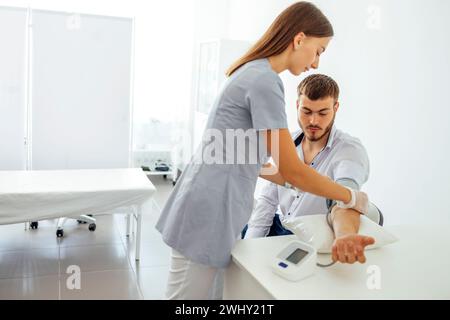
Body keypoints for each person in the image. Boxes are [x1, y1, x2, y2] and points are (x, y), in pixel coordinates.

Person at [156, 1, 369, 299]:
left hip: (211, 208)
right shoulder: (265, 81)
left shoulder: (252, 72)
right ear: (299, 39)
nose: (316, 62)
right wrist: (349, 196)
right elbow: (292, 169)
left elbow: (251, 161)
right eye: (318, 50)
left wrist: (308, 185)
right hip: (208, 212)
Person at [243, 74, 375, 264]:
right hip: (280, 226)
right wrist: (252, 245)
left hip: (310, 239)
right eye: (306, 111)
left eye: (323, 113)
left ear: (336, 108)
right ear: (297, 106)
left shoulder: (349, 151)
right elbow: (268, 199)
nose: (313, 121)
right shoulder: (287, 142)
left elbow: (344, 199)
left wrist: (345, 234)